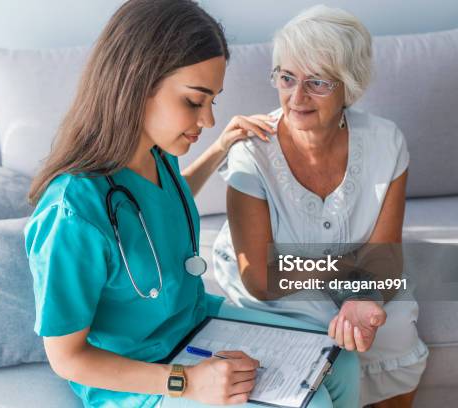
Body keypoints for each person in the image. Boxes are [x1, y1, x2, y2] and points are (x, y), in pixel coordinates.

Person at [24, 1, 360, 407]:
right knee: (313, 402)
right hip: (141, 377)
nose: (207, 120)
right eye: (193, 101)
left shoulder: (156, 154)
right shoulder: (71, 213)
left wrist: (221, 147)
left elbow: (158, 209)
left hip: (194, 323)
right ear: (136, 84)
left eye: (213, 101)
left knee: (339, 362)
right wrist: (186, 383)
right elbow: (66, 358)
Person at [213, 5, 429, 408]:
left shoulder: (386, 141)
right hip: (274, 283)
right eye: (287, 77)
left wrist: (365, 293)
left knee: (395, 327)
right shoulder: (251, 152)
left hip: (348, 269)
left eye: (317, 82)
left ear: (349, 85)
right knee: (322, 330)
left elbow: (383, 255)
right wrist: (355, 267)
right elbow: (260, 278)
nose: (297, 97)